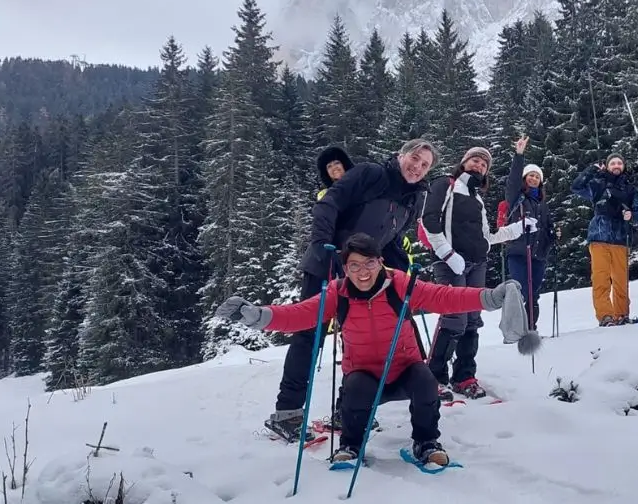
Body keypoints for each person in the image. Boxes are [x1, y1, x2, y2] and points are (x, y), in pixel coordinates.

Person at [215, 232, 539, 466]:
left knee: (427, 382)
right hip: (365, 376)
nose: (362, 272)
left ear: (380, 262)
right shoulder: (338, 294)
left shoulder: (399, 283)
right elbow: (298, 314)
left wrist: (488, 297)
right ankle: (351, 447)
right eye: (354, 266)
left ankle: (426, 442)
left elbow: (444, 297)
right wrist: (258, 316)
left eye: (368, 263)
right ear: (346, 269)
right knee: (354, 388)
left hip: (404, 371)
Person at [266, 138, 438, 442]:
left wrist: (404, 272)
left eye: (425, 165)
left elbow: (391, 241)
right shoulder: (370, 173)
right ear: (401, 155)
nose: (417, 167)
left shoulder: (412, 199)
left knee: (360, 339)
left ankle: (346, 409)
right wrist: (322, 246)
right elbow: (329, 203)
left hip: (365, 275)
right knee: (310, 335)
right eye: (414, 158)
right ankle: (287, 413)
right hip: (327, 263)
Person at [420, 145, 537, 401]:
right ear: (463, 162)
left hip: (476, 263)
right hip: (449, 262)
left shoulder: (477, 198)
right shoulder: (445, 185)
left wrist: (518, 228)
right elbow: (428, 221)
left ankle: (464, 376)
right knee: (455, 319)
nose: (479, 165)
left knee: (472, 320)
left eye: (484, 164)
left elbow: (488, 237)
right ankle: (433, 378)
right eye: (475, 160)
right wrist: (449, 256)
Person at [571, 153, 638, 326]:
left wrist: (631, 216)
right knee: (600, 278)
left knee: (621, 280)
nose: (616, 165)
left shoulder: (629, 188)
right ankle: (605, 316)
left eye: (619, 162)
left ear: (624, 166)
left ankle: (622, 314)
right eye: (613, 162)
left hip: (621, 238)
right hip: (599, 236)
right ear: (607, 165)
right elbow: (576, 187)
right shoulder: (598, 184)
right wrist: (592, 170)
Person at [502, 135, 557, 332]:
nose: (533, 178)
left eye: (537, 176)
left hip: (538, 255)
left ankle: (530, 328)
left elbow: (547, 227)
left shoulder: (542, 204)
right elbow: (512, 180)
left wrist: (553, 235)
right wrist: (519, 155)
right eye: (530, 175)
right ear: (525, 179)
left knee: (534, 293)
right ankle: (517, 329)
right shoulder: (516, 197)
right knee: (521, 291)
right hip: (518, 253)